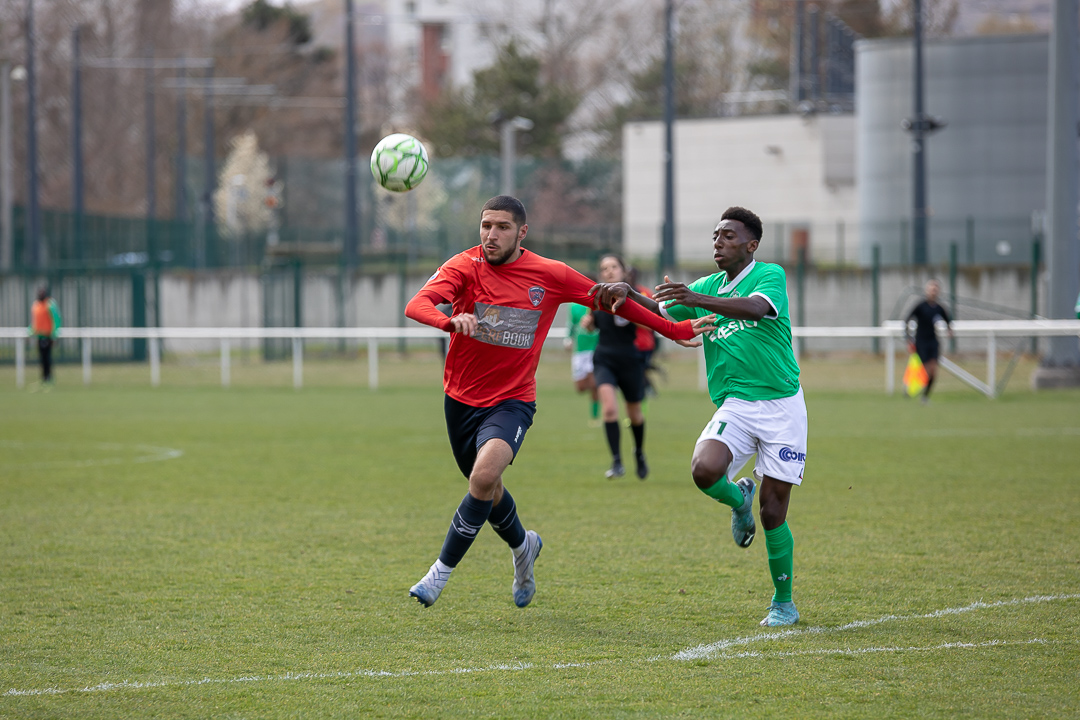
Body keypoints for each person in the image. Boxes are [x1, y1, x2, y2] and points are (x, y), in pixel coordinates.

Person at [403, 195, 712, 609]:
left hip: (512, 401)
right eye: (486, 226)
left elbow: (614, 300)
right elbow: (416, 304)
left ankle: (437, 575)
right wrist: (448, 320)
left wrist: (673, 330)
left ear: (522, 232)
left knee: (482, 478)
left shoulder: (550, 274)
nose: (491, 235)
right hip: (460, 400)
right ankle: (523, 549)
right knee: (487, 488)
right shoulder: (463, 266)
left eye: (502, 227)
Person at [591, 206, 807, 628]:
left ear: (751, 244)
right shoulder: (706, 284)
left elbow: (755, 310)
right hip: (737, 405)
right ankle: (737, 499)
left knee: (774, 512)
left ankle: (784, 603)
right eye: (715, 236)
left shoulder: (770, 275)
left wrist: (696, 299)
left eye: (728, 235)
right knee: (704, 470)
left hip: (781, 407)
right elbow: (661, 311)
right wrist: (629, 291)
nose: (718, 242)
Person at [584, 254, 651, 480]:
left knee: (634, 413)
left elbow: (648, 324)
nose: (609, 271)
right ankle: (616, 462)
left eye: (614, 267)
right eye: (604, 268)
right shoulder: (596, 297)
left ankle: (639, 453)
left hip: (630, 359)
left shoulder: (635, 296)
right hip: (604, 358)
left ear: (623, 271)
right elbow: (592, 324)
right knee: (610, 409)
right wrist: (588, 323)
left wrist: (631, 312)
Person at [905, 279, 953, 404]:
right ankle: (911, 387)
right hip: (921, 342)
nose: (933, 291)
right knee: (926, 370)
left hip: (933, 342)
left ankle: (924, 397)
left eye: (935, 289)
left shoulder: (939, 308)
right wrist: (908, 339)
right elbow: (907, 320)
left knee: (934, 372)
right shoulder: (921, 306)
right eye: (931, 289)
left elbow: (948, 320)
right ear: (927, 291)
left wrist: (949, 330)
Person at [565, 302, 600, 424]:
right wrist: (568, 339)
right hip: (579, 350)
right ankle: (603, 386)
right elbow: (572, 324)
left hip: (594, 348)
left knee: (594, 384)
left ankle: (595, 416)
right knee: (580, 388)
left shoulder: (596, 303)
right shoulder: (574, 306)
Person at [28, 286, 62, 388]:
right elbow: (36, 322)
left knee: (47, 358)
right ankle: (44, 378)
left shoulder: (50, 304)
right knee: (42, 358)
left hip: (48, 336)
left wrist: (54, 334)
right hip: (39, 335)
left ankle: (49, 378)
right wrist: (30, 330)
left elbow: (56, 319)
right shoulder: (36, 305)